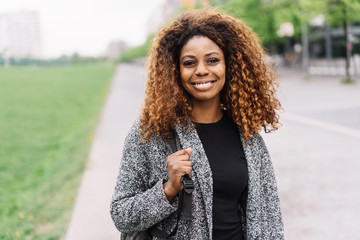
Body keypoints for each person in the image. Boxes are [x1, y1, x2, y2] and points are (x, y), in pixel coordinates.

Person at [111, 8, 284, 240]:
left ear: (228, 65)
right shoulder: (151, 133)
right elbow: (121, 214)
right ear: (174, 70)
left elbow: (269, 218)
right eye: (189, 63)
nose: (202, 70)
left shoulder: (246, 136)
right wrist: (168, 189)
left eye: (212, 60)